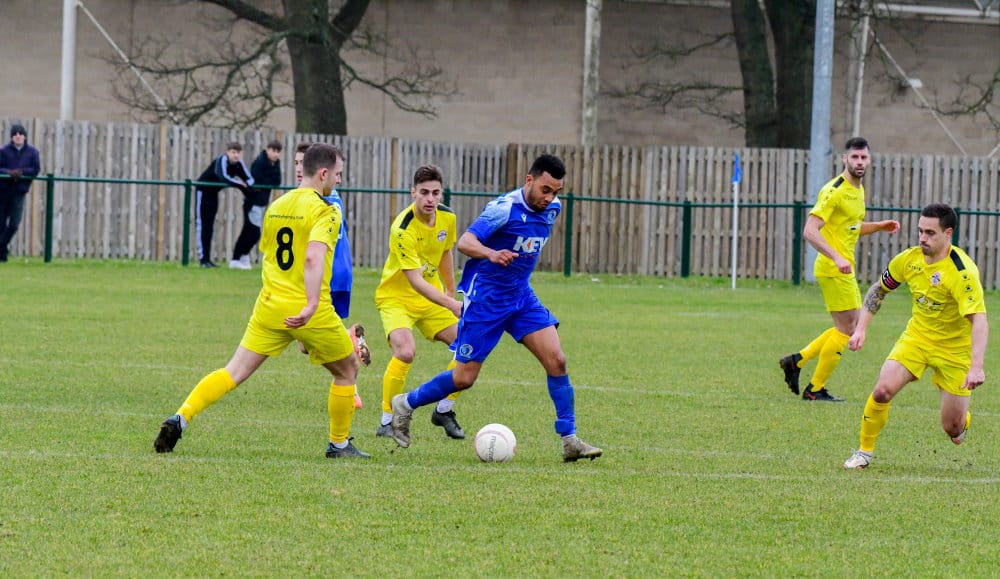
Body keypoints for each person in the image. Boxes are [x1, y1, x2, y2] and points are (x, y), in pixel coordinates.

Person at [153, 143, 370, 459]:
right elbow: (313, 258)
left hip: (270, 305)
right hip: (309, 310)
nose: (338, 180)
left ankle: (181, 417)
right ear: (323, 173)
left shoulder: (277, 205)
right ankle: (339, 445)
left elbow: (268, 255)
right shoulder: (327, 210)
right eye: (337, 174)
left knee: (233, 371)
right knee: (347, 370)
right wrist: (311, 305)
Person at [389, 154, 603, 462]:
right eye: (545, 189)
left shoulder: (553, 208)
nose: (549, 198)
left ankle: (569, 439)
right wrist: (491, 253)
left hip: (521, 297)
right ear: (529, 180)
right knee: (464, 378)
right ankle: (405, 404)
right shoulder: (503, 209)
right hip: (486, 301)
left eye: (555, 191)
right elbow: (465, 242)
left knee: (557, 361)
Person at [843, 203, 988, 469]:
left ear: (948, 233)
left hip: (955, 350)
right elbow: (879, 289)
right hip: (917, 339)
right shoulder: (909, 260)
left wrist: (976, 367)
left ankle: (961, 422)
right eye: (920, 231)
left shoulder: (962, 272)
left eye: (930, 233)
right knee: (882, 391)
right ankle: (863, 452)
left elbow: (979, 319)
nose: (922, 238)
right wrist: (861, 328)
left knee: (952, 428)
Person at [779, 137, 900, 402]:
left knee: (848, 326)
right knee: (848, 328)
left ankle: (797, 362)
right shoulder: (834, 191)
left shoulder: (857, 190)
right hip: (834, 268)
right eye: (854, 157)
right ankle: (813, 387)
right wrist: (836, 257)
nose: (859, 162)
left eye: (863, 157)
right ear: (845, 159)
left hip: (842, 268)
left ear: (869, 160)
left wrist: (878, 226)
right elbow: (810, 230)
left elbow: (850, 227)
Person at [374, 165, 466, 440]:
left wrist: (450, 290)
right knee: (405, 352)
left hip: (432, 297)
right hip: (396, 299)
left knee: (469, 347)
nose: (430, 199)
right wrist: (450, 305)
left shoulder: (447, 217)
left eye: (435, 193)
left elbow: (445, 252)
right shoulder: (402, 228)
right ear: (413, 192)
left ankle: (444, 409)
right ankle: (388, 420)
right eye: (424, 192)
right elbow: (415, 281)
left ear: (441, 193)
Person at [293, 143, 369, 409]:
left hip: (326, 278)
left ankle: (350, 383)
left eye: (302, 163)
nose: (299, 168)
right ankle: (348, 344)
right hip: (337, 275)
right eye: (296, 163)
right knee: (306, 344)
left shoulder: (325, 200)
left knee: (310, 337)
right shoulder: (320, 197)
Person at [194, 142, 253, 268]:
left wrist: (249, 189)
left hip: (213, 193)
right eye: (233, 152)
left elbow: (249, 178)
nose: (236, 155)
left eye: (238, 152)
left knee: (210, 226)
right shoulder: (222, 161)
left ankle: (208, 260)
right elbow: (223, 177)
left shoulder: (238, 164)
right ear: (227, 152)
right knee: (202, 225)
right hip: (203, 191)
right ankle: (203, 259)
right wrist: (240, 185)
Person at [230, 140, 282, 269]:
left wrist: (268, 179)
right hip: (253, 203)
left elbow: (277, 181)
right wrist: (268, 180)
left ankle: (240, 258)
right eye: (273, 150)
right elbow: (257, 180)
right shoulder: (260, 162)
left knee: (249, 232)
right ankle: (239, 258)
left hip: (262, 203)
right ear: (268, 149)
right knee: (253, 232)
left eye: (278, 151)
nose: (275, 154)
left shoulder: (276, 164)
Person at [0, 124, 41, 262]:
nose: (18, 136)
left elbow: (35, 169)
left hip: (19, 192)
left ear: (25, 136)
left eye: (20, 133)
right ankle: (2, 254)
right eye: (15, 134)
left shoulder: (32, 152)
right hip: (3, 191)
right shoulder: (3, 151)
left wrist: (21, 173)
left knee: (14, 224)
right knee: (1, 223)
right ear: (11, 137)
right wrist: (9, 173)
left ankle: (1, 245)